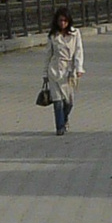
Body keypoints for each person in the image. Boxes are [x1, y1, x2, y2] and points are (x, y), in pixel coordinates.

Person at [42, 7, 84, 135]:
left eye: (65, 21)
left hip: (69, 71)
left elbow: (78, 51)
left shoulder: (75, 33)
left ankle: (64, 118)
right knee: (57, 102)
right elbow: (48, 55)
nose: (63, 23)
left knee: (69, 102)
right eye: (60, 20)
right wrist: (44, 73)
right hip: (54, 70)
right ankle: (59, 127)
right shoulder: (53, 36)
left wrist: (79, 68)